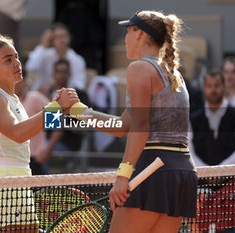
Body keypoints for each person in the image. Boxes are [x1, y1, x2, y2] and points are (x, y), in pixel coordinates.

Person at [64, 10, 197, 232]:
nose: (124, 38)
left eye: (128, 31)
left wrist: (122, 176)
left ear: (140, 34)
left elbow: (140, 127)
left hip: (152, 170)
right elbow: (122, 126)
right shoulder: (174, 73)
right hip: (181, 172)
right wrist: (77, 111)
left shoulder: (139, 68)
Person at [0, 30, 78, 232]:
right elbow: (18, 133)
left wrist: (59, 109)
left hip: (20, 179)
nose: (16, 63)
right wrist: (55, 108)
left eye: (16, 57)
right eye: (8, 60)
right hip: (0, 184)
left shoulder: (14, 101)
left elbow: (37, 128)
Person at [188, 71, 235, 166]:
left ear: (224, 87)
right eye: (209, 86)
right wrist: (207, 172)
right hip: (202, 177)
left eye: (217, 85)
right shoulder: (193, 119)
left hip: (233, 177)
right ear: (203, 88)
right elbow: (189, 150)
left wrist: (222, 170)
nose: (213, 90)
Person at [26, 23, 86, 93]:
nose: (61, 40)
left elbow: (79, 85)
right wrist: (43, 45)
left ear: (69, 38)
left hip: (67, 96)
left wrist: (62, 89)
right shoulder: (44, 55)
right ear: (52, 40)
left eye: (63, 36)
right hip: (43, 96)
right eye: (57, 37)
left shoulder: (78, 60)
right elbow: (31, 67)